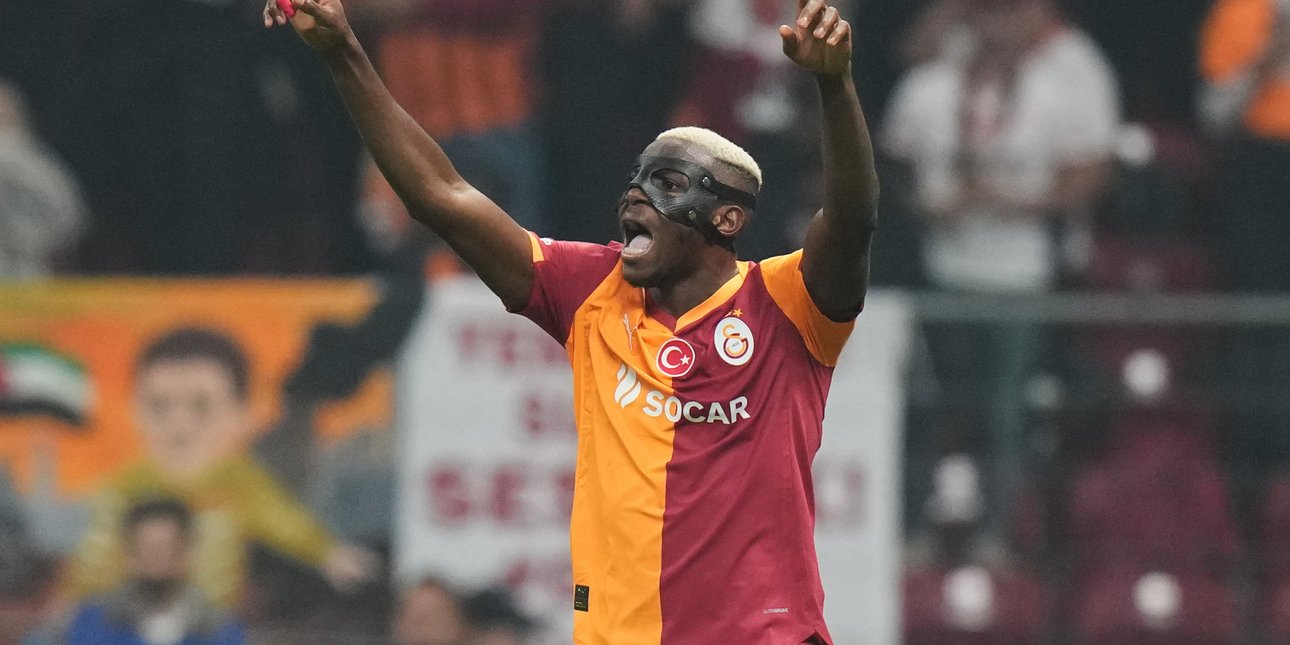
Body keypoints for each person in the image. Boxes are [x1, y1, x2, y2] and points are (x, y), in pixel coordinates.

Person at [265, 0, 877, 640]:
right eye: (637, 180)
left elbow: (853, 219)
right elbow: (442, 196)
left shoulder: (787, 303)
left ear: (727, 220)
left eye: (669, 184)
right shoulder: (592, 289)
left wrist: (834, 84)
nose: (637, 194)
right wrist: (344, 51)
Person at [61, 328, 375, 610]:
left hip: (208, 626)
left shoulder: (239, 481)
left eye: (201, 406)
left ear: (241, 413)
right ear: (135, 410)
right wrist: (75, 610)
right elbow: (94, 562)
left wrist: (327, 553)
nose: (179, 425)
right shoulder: (124, 487)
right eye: (160, 406)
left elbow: (282, 520)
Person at [61, 498, 245, 645]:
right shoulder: (92, 624)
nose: (156, 558)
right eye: (146, 548)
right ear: (128, 556)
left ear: (188, 554)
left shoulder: (220, 630)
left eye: (166, 548)